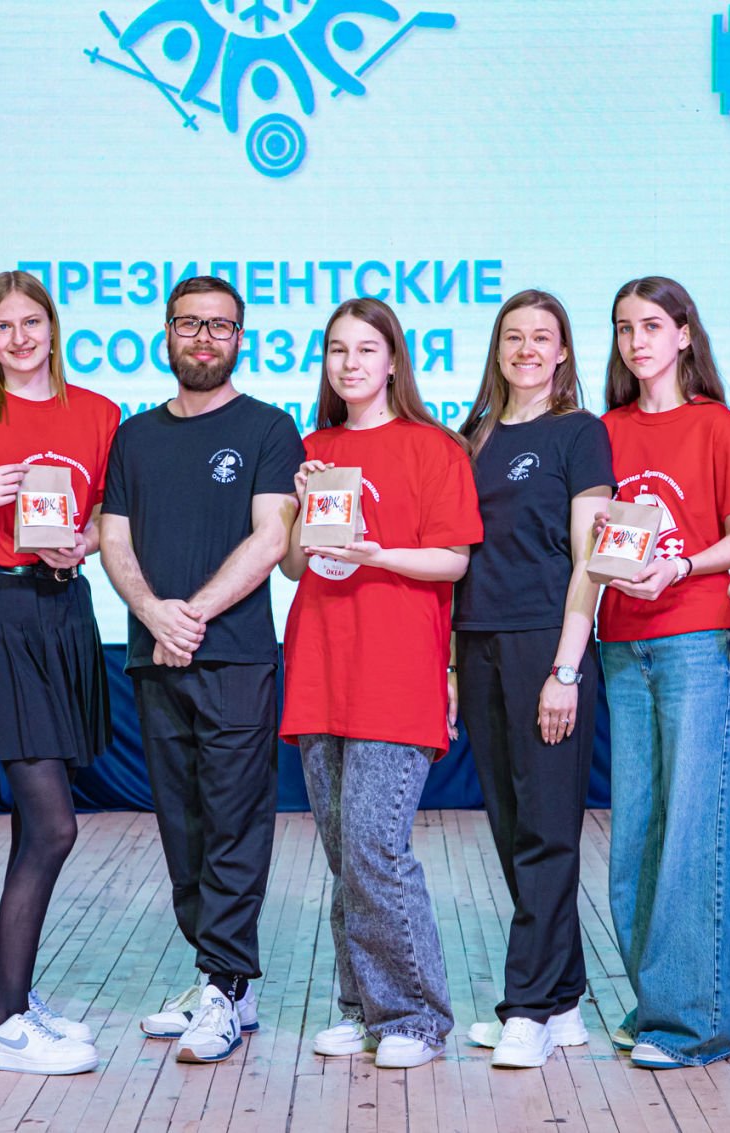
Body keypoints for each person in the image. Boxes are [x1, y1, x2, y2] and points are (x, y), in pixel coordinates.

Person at [99, 276, 305, 1064]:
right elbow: (114, 538)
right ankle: (221, 980)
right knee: (182, 827)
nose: (204, 338)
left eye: (220, 326)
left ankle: (225, 981)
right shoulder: (134, 436)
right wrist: (155, 614)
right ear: (167, 332)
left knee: (233, 823)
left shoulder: (269, 427)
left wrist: (193, 614)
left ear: (240, 338)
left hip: (236, 657)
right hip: (155, 656)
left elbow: (270, 537)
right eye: (190, 323)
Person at [279, 299, 482, 1070]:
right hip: (320, 666)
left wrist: (376, 552)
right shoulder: (313, 448)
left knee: (374, 846)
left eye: (366, 348)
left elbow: (453, 559)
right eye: (337, 349)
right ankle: (363, 1006)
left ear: (394, 359)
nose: (351, 362)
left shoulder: (435, 446)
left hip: (395, 672)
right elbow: (294, 565)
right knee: (345, 855)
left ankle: (416, 1017)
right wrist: (302, 506)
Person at [0, 270, 117, 1075]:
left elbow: (105, 516)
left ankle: (16, 997)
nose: (19, 338)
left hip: (67, 609)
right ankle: (5, 1022)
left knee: (29, 828)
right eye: (3, 326)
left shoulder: (98, 412)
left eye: (31, 322)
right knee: (54, 827)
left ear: (52, 327)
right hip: (5, 612)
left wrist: (85, 542)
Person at [454, 290, 613, 1069]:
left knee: (548, 829)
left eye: (541, 337)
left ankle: (525, 1007)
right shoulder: (472, 437)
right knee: (514, 828)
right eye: (513, 336)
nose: (526, 349)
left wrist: (565, 668)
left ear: (563, 351)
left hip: (545, 644)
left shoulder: (580, 432)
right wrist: (453, 665)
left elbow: (591, 559)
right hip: (477, 643)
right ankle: (564, 997)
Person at [596, 277, 730, 1069]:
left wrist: (681, 565)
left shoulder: (715, 424)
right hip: (623, 644)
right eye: (625, 328)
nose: (637, 341)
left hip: (697, 640)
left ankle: (693, 1026)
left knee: (693, 835)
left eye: (652, 325)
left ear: (685, 334)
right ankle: (657, 1002)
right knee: (635, 841)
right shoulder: (606, 428)